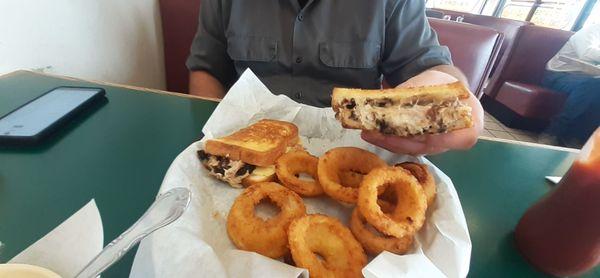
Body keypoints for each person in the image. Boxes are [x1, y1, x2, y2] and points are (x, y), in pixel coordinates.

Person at [186, 0, 483, 155]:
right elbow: (207, 68)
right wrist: (217, 138)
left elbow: (430, 66)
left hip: (353, 149)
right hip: (246, 141)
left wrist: (456, 97)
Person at [542, 24, 600, 147]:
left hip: (587, 79)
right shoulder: (590, 31)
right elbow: (587, 53)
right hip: (558, 75)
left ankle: (578, 136)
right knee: (592, 85)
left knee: (594, 85)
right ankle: (554, 132)